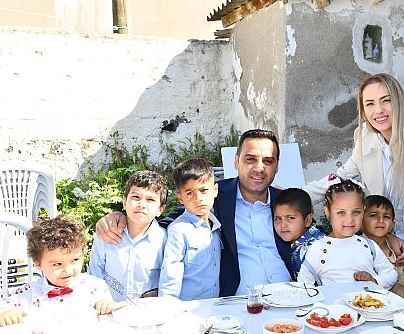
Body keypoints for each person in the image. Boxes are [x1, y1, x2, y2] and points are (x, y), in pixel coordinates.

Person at [303, 73, 404, 297]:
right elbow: (341, 179)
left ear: (399, 100)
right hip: (385, 249)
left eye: (386, 100)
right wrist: (295, 195)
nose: (378, 111)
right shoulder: (366, 140)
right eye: (370, 104)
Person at [95, 129, 293, 297]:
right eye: (250, 159)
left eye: (268, 161)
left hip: (290, 295)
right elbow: (165, 223)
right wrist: (120, 217)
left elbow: (311, 233)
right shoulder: (212, 195)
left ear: (277, 165)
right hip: (239, 299)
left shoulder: (286, 201)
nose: (259, 168)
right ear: (236, 161)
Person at [0, 215, 114, 326]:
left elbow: (109, 315)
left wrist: (106, 304)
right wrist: (1, 314)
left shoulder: (95, 287)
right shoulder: (28, 294)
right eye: (57, 264)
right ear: (38, 264)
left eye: (74, 260)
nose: (68, 270)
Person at [297, 178, 398, 288]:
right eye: (341, 212)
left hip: (370, 304)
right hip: (334, 305)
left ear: (363, 211)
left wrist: (374, 281)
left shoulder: (368, 246)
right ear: (327, 212)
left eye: (356, 212)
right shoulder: (317, 249)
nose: (349, 220)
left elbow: (391, 275)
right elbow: (304, 286)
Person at [88, 170, 168, 301]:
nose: (141, 204)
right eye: (136, 197)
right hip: (110, 310)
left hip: (148, 313)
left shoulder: (164, 240)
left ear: (160, 209)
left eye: (150, 200)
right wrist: (100, 299)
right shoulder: (107, 235)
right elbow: (95, 274)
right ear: (124, 202)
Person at [158, 158, 221, 300]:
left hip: (214, 306)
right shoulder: (178, 230)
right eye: (190, 193)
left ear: (215, 190)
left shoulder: (217, 226)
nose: (198, 198)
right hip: (187, 309)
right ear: (180, 197)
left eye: (204, 190)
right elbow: (170, 277)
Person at [362, 194, 404, 302]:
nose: (381, 220)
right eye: (373, 215)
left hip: (401, 308)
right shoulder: (357, 248)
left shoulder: (398, 252)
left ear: (392, 225)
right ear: (360, 221)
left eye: (386, 217)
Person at [271, 187, 326, 281]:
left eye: (290, 218)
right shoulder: (292, 244)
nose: (283, 225)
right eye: (278, 219)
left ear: (307, 220)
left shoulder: (319, 247)